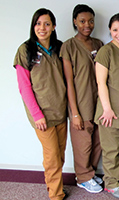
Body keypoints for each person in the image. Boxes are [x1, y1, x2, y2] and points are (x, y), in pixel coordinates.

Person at [13, 8, 67, 200]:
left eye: (46, 24)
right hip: (42, 114)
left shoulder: (61, 48)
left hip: (61, 111)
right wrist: (37, 115)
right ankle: (56, 195)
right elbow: (24, 87)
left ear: (53, 27)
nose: (42, 28)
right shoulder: (25, 50)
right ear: (33, 26)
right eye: (38, 23)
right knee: (52, 157)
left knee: (60, 155)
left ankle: (54, 187)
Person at [60, 4, 103, 193]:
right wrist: (75, 113)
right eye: (83, 21)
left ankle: (90, 173)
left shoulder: (99, 44)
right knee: (83, 143)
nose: (87, 24)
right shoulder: (68, 46)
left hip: (99, 101)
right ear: (75, 22)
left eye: (91, 21)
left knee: (99, 140)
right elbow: (68, 81)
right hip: (81, 102)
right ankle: (83, 177)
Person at [94, 13, 119, 199]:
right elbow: (101, 83)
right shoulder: (106, 51)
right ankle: (111, 182)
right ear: (110, 31)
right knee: (111, 149)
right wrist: (107, 109)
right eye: (115, 30)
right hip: (109, 110)